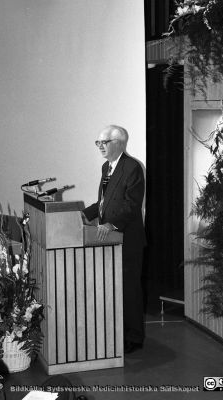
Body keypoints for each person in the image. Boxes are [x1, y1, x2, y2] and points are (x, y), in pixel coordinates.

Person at [82, 125, 146, 354]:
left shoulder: (132, 168)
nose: (100, 146)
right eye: (98, 142)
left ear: (118, 142)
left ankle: (134, 337)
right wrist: (84, 213)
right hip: (110, 239)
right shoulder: (106, 167)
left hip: (127, 239)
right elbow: (104, 201)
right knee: (114, 287)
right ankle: (119, 331)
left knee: (129, 289)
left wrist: (112, 224)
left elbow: (131, 205)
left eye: (104, 142)